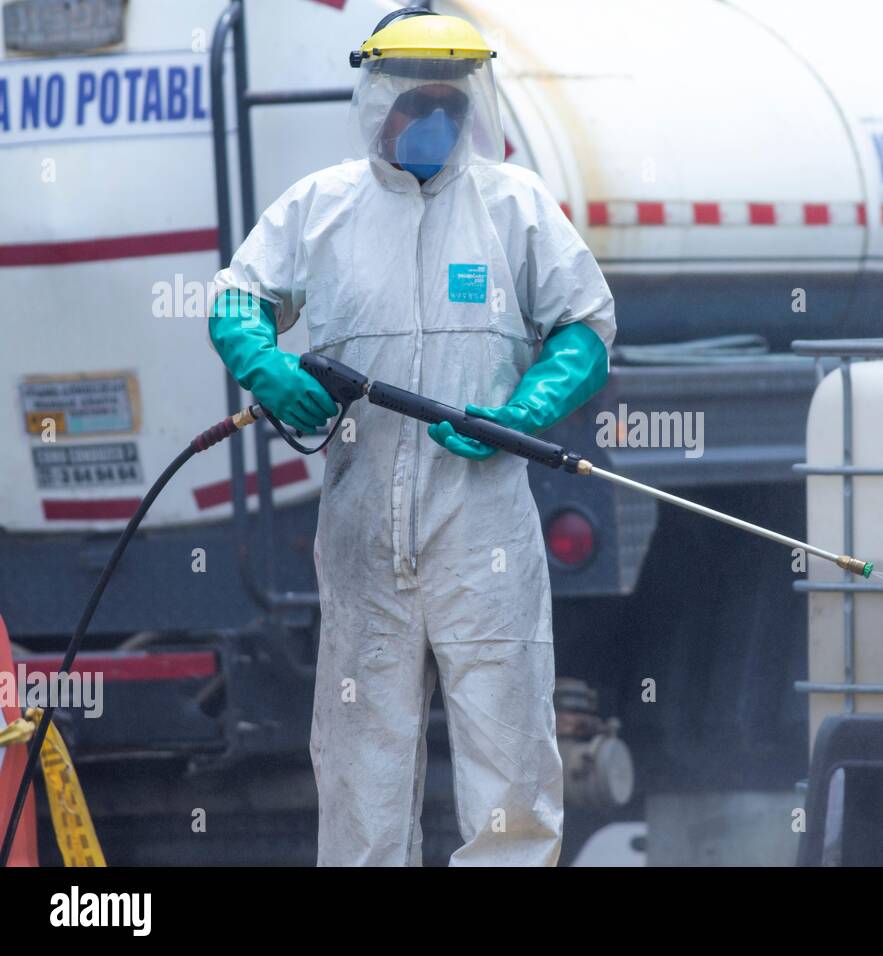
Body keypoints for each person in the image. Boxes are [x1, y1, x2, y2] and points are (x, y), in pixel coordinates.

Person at [207, 8, 615, 866]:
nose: (435, 120)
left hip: (484, 537)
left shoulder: (515, 208)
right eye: (417, 101)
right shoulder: (322, 209)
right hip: (362, 538)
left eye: (451, 103)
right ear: (378, 99)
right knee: (361, 768)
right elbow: (237, 298)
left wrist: (523, 411)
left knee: (510, 766)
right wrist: (265, 364)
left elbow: (583, 326)